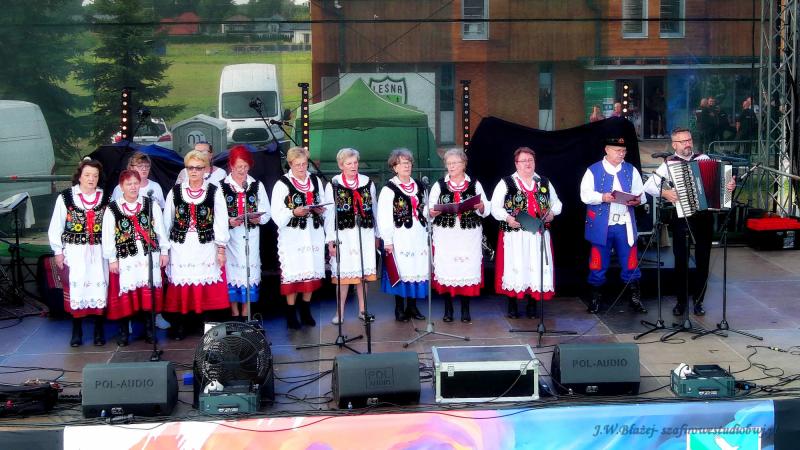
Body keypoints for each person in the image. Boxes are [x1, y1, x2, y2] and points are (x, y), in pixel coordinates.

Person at [643, 127, 736, 316]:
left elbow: (722, 187)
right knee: (681, 260)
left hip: (704, 216)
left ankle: (699, 301)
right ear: (674, 145)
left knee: (703, 260)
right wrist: (666, 193)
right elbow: (648, 186)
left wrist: (729, 186)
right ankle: (681, 302)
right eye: (683, 141)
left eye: (689, 140)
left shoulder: (704, 159)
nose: (687, 144)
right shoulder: (669, 164)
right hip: (682, 217)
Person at [163, 150, 230, 339]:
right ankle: (181, 325)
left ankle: (206, 326)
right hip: (181, 248)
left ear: (205, 169)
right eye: (190, 167)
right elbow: (166, 221)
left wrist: (221, 248)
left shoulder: (214, 191)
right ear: (186, 169)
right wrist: (164, 249)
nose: (194, 171)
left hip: (205, 247)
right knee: (181, 287)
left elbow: (221, 220)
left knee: (206, 287)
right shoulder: (175, 191)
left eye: (198, 168)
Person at [490, 147, 562, 318]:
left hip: (538, 233)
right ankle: (512, 304)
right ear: (516, 164)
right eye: (524, 161)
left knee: (536, 266)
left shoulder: (543, 182)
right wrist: (508, 218)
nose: (528, 163)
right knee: (516, 265)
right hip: (515, 234)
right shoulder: (506, 182)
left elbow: (557, 203)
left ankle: (532, 304)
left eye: (530, 160)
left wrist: (552, 213)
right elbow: (494, 207)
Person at [580, 137, 648, 314]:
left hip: (624, 223)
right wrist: (602, 197)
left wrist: (637, 200)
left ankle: (634, 298)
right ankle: (595, 298)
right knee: (598, 262)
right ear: (607, 150)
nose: (621, 154)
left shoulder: (631, 170)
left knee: (631, 261)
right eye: (618, 151)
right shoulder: (593, 170)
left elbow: (641, 195)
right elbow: (585, 195)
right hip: (602, 224)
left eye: (624, 151)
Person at [102, 170, 170, 346]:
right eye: (128, 184)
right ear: (121, 186)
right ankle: (124, 332)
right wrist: (112, 259)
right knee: (126, 293)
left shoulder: (150, 204)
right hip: (126, 258)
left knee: (149, 291)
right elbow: (108, 235)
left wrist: (164, 251)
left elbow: (160, 229)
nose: (133, 187)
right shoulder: (113, 208)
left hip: (148, 256)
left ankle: (149, 330)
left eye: (135, 183)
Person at [48, 158, 109, 347]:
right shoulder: (66, 197)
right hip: (75, 252)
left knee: (99, 287)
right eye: (87, 175)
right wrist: (58, 251)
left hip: (99, 251)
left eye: (95, 176)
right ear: (79, 176)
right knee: (78, 289)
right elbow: (56, 226)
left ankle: (99, 330)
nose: (91, 179)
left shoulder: (105, 198)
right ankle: (77, 331)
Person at [429, 148, 490, 323]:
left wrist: (481, 207)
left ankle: (465, 309)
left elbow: (486, 207)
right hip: (446, 235)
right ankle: (448, 310)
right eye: (448, 163)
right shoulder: (439, 185)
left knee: (466, 268)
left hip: (468, 236)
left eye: (455, 163)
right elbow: (429, 207)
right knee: (447, 268)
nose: (451, 166)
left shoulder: (475, 184)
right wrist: (432, 211)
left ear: (464, 164)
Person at [271, 147, 326, 329]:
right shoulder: (282, 184)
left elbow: (323, 202)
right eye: (297, 165)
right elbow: (276, 213)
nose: (302, 168)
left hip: (313, 232)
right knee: (294, 273)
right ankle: (290, 313)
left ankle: (306, 310)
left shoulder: (315, 180)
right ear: (290, 164)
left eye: (304, 164)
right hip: (292, 235)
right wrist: (293, 212)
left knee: (310, 270)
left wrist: (320, 209)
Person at [323, 148, 379, 324]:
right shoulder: (333, 184)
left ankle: (363, 310)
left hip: (364, 232)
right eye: (349, 163)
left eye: (355, 162)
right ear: (341, 165)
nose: (353, 166)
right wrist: (330, 241)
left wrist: (377, 235)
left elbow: (374, 209)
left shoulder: (367, 182)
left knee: (363, 274)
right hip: (343, 234)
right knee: (343, 276)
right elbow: (329, 214)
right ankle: (339, 313)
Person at [377, 149, 429, 323]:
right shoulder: (389, 189)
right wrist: (387, 240)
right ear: (394, 167)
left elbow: (425, 209)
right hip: (400, 235)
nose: (406, 166)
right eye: (402, 163)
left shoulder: (419, 186)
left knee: (416, 268)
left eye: (408, 163)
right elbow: (384, 216)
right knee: (401, 269)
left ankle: (412, 307)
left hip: (418, 234)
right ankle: (399, 308)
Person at [221, 145, 271, 322]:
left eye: (245, 166)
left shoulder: (256, 185)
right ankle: (235, 314)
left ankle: (246, 313)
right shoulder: (221, 186)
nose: (242, 170)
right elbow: (217, 215)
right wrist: (229, 221)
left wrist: (259, 218)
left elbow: (267, 212)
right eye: (238, 167)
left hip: (251, 236)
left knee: (249, 272)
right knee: (232, 274)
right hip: (231, 239)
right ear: (231, 166)